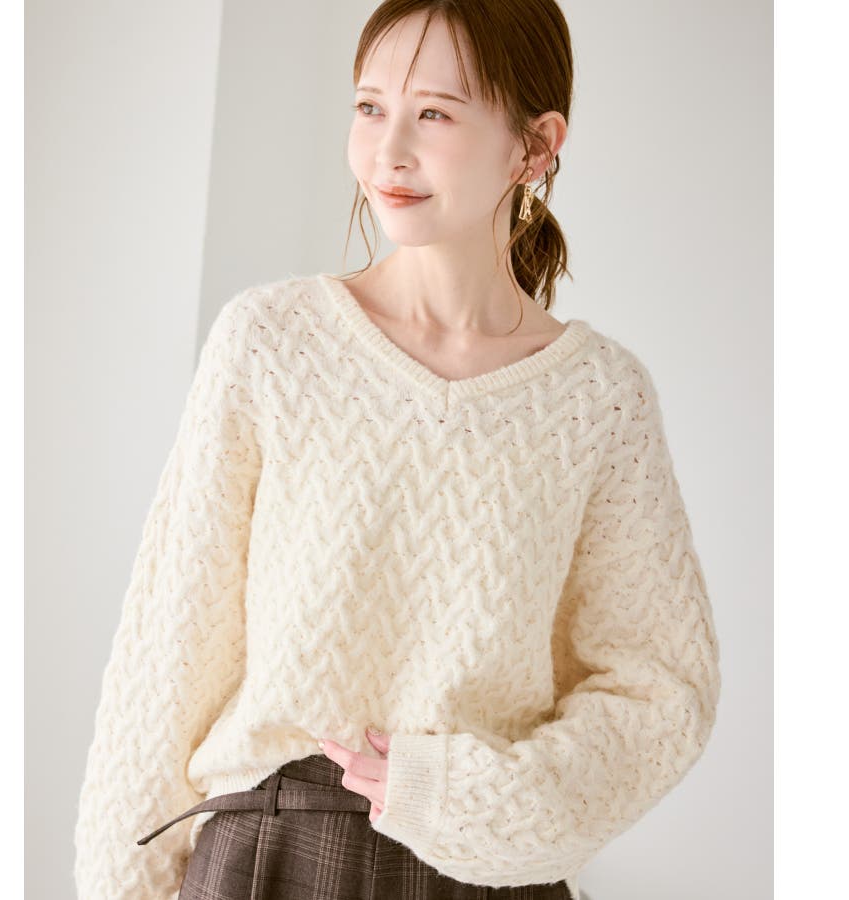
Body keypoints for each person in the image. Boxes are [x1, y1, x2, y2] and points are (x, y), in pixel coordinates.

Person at [73, 2, 722, 899]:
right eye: (370, 107)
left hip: (487, 878)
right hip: (272, 856)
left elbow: (661, 690)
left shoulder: (599, 399)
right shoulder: (272, 341)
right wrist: (123, 884)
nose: (388, 151)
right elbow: (168, 650)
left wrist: (478, 800)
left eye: (435, 114)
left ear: (535, 147)